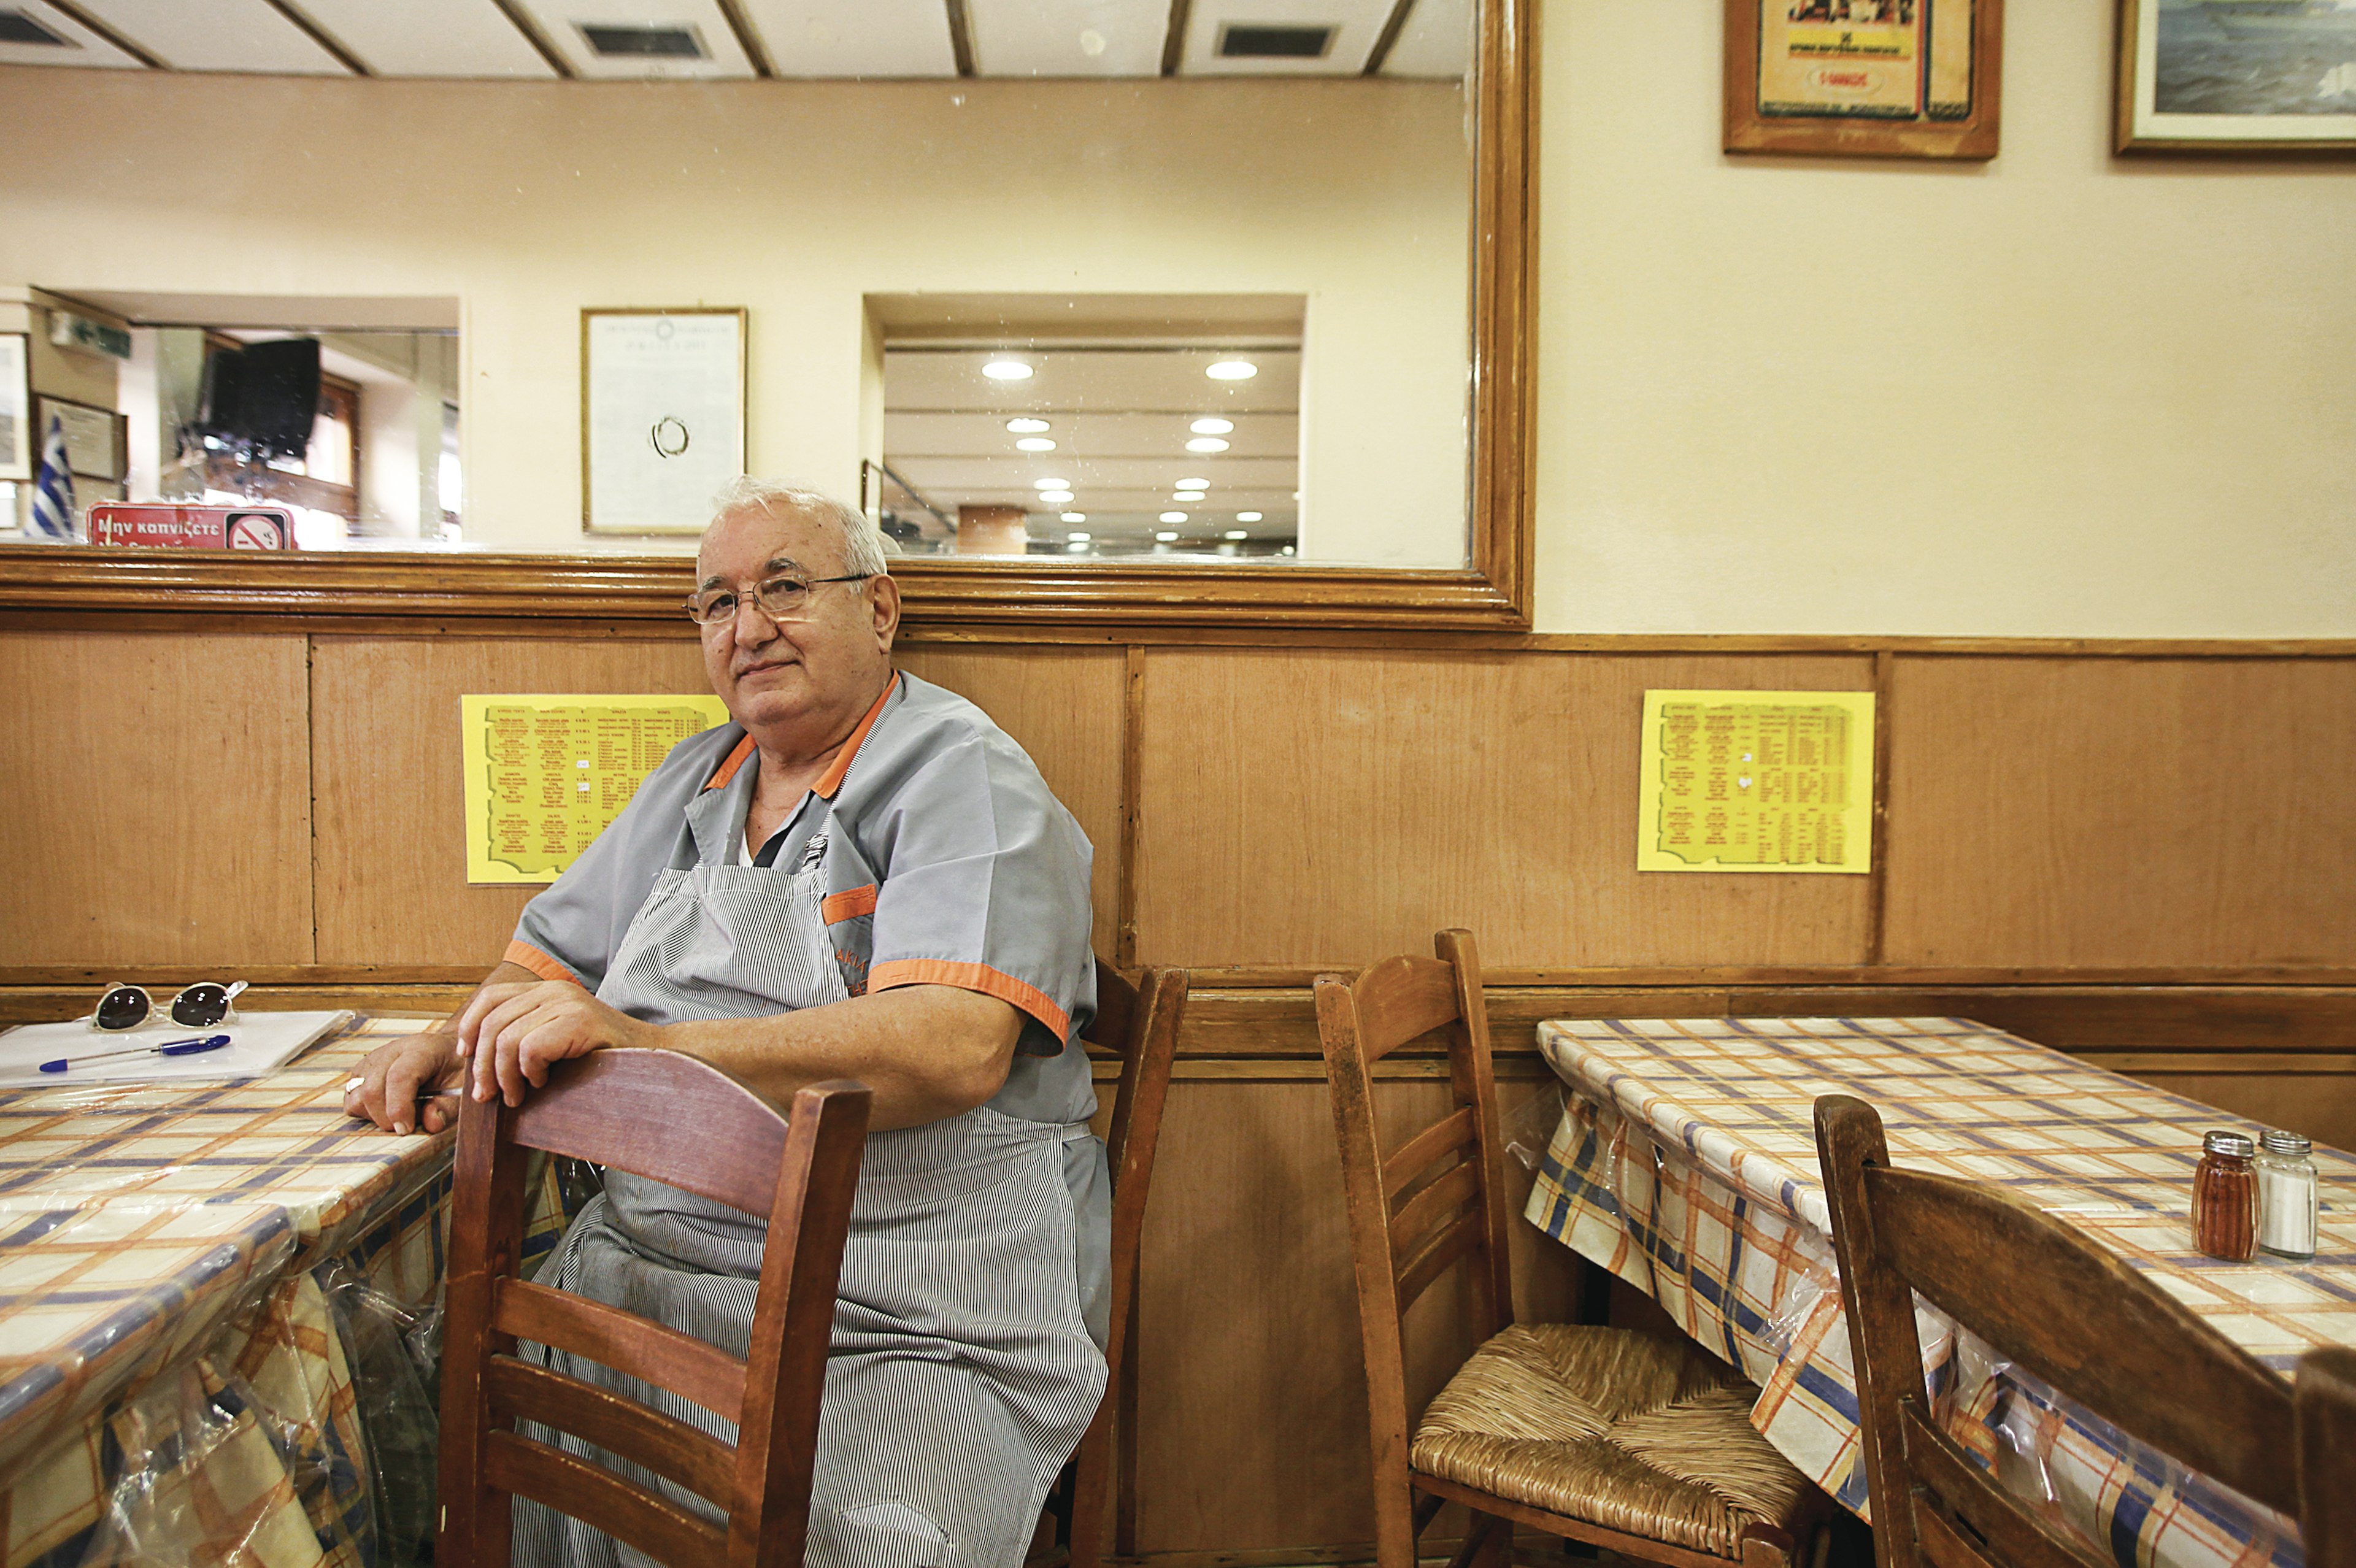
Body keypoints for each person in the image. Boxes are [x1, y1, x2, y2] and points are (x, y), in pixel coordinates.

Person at [344, 477, 1106, 1566]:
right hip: (654, 1270)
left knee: (863, 1540)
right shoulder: (697, 779)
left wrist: (648, 1050)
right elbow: (543, 963)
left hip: (908, 1304)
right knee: (464, 1457)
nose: (747, 629)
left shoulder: (963, 775)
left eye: (784, 588)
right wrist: (453, 1036)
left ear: (880, 610)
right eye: (716, 604)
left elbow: (953, 1047)